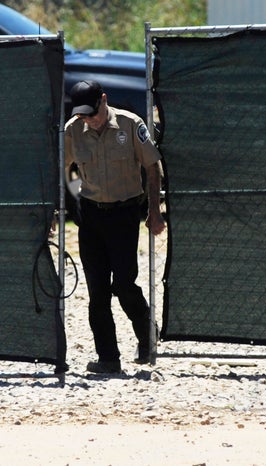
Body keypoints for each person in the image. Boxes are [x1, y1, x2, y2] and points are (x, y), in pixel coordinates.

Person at [64, 80, 166, 373]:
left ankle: (147, 335)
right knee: (97, 291)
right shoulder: (73, 130)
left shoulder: (130, 124)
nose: (89, 120)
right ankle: (108, 357)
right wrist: (54, 211)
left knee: (123, 285)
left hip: (124, 214)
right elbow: (58, 165)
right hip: (91, 215)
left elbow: (151, 165)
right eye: (82, 115)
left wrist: (154, 212)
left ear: (104, 100)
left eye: (92, 113)